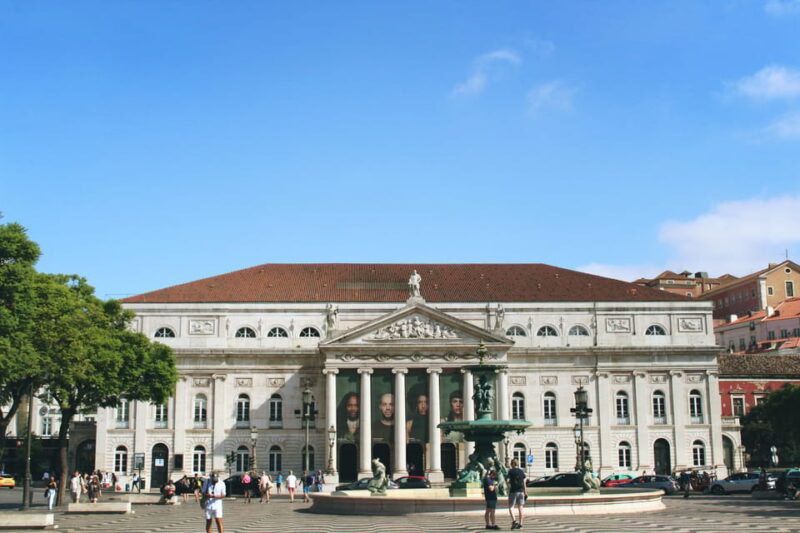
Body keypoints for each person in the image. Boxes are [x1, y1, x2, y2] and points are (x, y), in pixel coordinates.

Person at [506, 459, 527, 530]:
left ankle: (514, 521)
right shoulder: (521, 471)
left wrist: (509, 482)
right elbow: (524, 482)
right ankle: (521, 524)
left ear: (512, 464)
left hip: (513, 491)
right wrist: (525, 492)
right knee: (521, 508)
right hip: (521, 491)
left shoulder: (511, 471)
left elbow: (507, 480)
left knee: (511, 507)